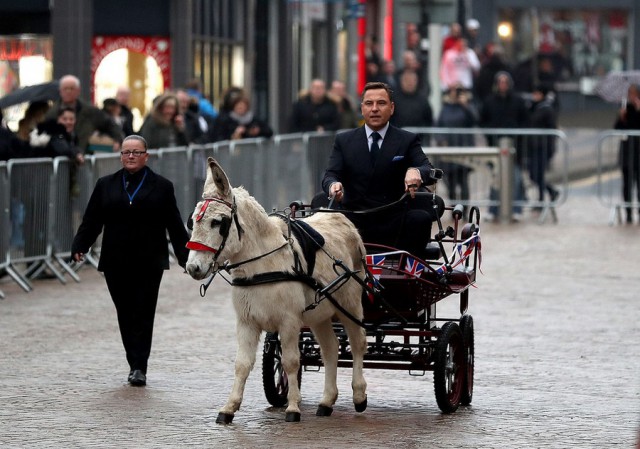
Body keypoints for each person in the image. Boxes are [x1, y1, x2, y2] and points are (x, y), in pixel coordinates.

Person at [71, 134, 189, 386]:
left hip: (150, 260)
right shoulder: (106, 184)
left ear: (146, 155)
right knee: (125, 312)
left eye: (136, 152)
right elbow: (92, 220)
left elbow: (175, 225)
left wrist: (185, 256)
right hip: (116, 260)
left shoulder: (162, 186)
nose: (131, 156)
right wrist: (80, 244)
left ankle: (139, 366)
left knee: (144, 312)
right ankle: (132, 359)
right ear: (121, 156)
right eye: (126, 152)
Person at [321, 81, 439, 257]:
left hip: (394, 219)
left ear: (391, 108)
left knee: (420, 219)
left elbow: (428, 169)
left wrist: (416, 172)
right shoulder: (344, 140)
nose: (374, 109)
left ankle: (407, 273)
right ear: (362, 109)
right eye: (369, 103)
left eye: (381, 103)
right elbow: (331, 174)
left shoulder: (407, 140)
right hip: (354, 219)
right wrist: (333, 185)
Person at [480, 71, 529, 219]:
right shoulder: (489, 101)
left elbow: (525, 120)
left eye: (505, 82)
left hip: (515, 147)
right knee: (496, 179)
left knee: (516, 178)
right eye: (500, 82)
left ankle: (516, 209)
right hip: (495, 147)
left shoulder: (518, 101)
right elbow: (483, 121)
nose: (503, 85)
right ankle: (493, 210)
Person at [45, 75, 122, 153]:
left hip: (84, 156)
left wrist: (118, 139)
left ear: (78, 91)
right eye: (65, 89)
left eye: (72, 88)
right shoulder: (51, 114)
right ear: (60, 91)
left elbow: (109, 124)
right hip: (59, 157)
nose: (68, 92)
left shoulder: (90, 111)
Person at [435, 85, 478, 204]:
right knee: (451, 182)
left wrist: (466, 106)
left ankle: (465, 211)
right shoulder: (445, 108)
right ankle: (454, 209)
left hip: (464, 148)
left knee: (463, 181)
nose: (456, 93)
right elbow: (438, 126)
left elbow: (475, 120)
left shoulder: (467, 107)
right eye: (454, 91)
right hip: (449, 149)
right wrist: (441, 140)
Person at [526, 84, 559, 207]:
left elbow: (551, 129)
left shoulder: (547, 109)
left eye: (537, 94)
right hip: (534, 146)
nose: (534, 96)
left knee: (537, 174)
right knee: (534, 175)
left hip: (543, 147)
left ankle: (542, 198)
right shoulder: (534, 107)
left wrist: (551, 148)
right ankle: (550, 192)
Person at [614, 84, 640, 224]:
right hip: (627, 152)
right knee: (627, 184)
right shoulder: (625, 108)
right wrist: (621, 117)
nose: (632, 96)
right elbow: (617, 128)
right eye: (630, 93)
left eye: (635, 93)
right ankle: (628, 212)